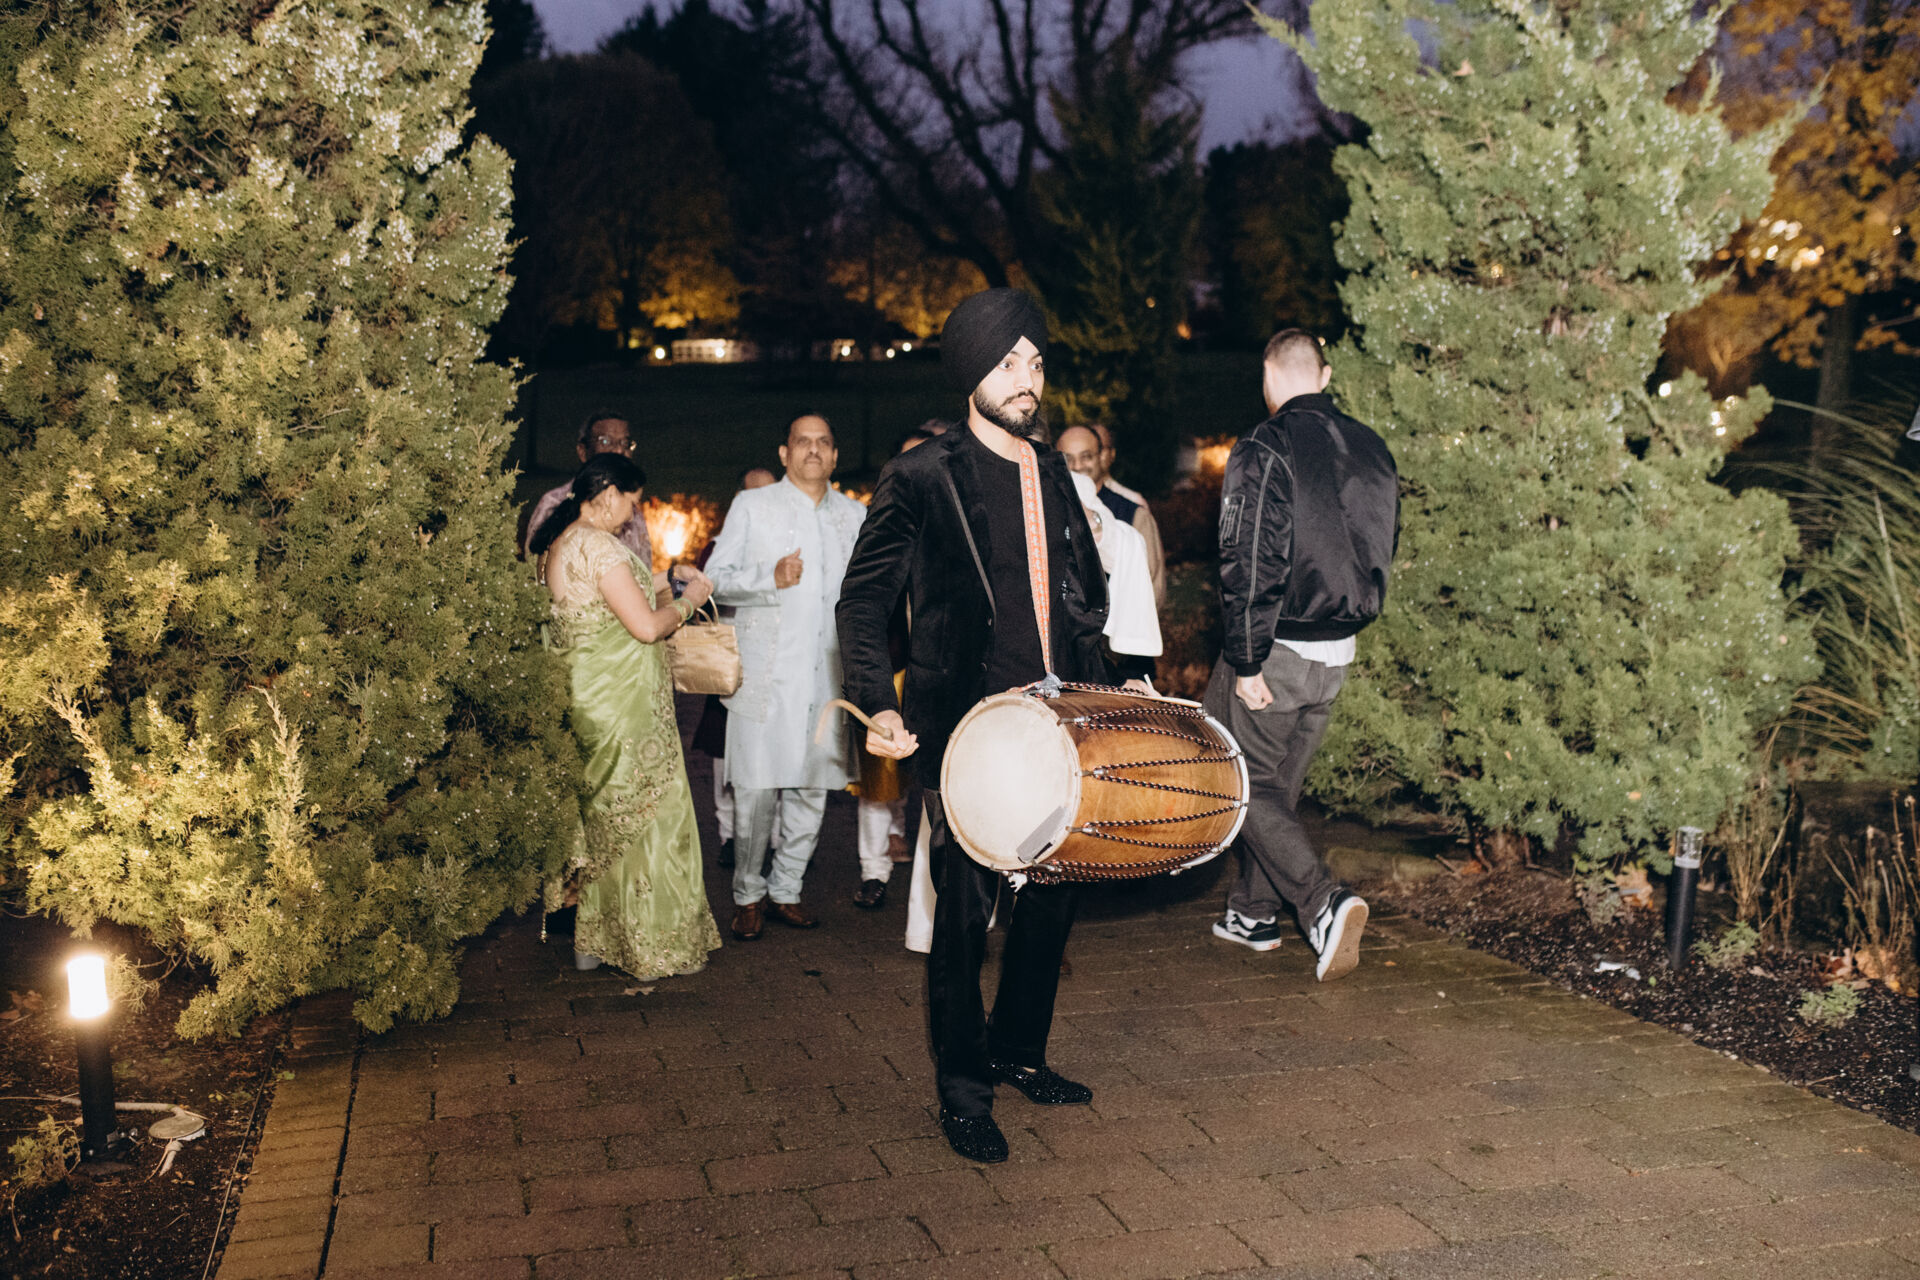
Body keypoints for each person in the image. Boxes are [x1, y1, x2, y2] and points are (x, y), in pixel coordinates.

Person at [838, 287, 1110, 1165]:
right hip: (965, 733)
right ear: (970, 372)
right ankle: (963, 1090)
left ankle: (1019, 1051)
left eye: (1036, 361)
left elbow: (1084, 601)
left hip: (1057, 725)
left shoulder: (1054, 473)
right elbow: (863, 601)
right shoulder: (921, 475)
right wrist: (879, 701)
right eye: (1008, 362)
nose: (1027, 378)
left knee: (1054, 899)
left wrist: (1107, 695)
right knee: (962, 917)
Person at [1207, 329, 1399, 982]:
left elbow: (1246, 558)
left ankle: (1322, 903)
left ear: (1268, 377)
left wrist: (1247, 659)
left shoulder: (1265, 444)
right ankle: (1253, 912)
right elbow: (1383, 546)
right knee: (1277, 788)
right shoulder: (1372, 447)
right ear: (1325, 375)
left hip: (1278, 648)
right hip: (1336, 654)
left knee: (1236, 778)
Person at [530, 454, 722, 979]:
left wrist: (668, 575)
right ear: (610, 492)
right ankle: (650, 947)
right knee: (649, 818)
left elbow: (610, 599)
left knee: (600, 822)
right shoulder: (597, 545)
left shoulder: (560, 543)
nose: (632, 516)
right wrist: (690, 600)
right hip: (623, 706)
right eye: (632, 504)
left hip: (586, 703)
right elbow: (644, 626)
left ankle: (592, 944)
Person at [705, 415, 868, 939]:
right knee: (754, 792)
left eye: (824, 442)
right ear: (785, 452)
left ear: (835, 456)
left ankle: (787, 890)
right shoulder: (753, 506)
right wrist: (768, 577)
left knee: (812, 790)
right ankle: (747, 894)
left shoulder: (855, 515)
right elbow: (715, 580)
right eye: (803, 442)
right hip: (765, 676)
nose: (813, 450)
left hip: (827, 676)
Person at [694, 465, 780, 872]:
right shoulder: (718, 547)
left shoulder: (789, 545)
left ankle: (774, 838)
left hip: (777, 661)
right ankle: (730, 833)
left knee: (777, 749)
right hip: (731, 659)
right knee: (724, 751)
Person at [524, 409, 653, 568]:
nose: (619, 450)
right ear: (583, 452)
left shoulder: (631, 512)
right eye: (605, 441)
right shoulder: (555, 504)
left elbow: (643, 574)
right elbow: (533, 570)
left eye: (625, 443)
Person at [1058, 422, 1166, 608]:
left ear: (1101, 457)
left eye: (1086, 457)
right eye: (1068, 459)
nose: (1077, 466)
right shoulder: (1049, 507)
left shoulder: (1133, 513)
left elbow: (1153, 586)